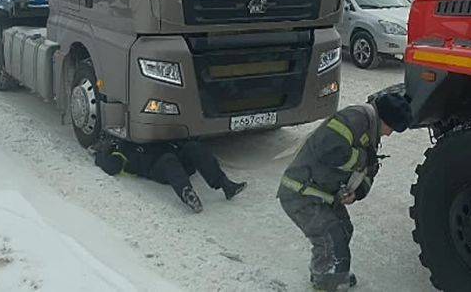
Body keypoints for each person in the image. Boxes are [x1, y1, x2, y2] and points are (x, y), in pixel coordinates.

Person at [278, 94, 412, 291]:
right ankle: (327, 281)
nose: (389, 134)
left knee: (343, 229)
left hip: (321, 194)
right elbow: (330, 149)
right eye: (391, 128)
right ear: (383, 119)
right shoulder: (355, 118)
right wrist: (362, 159)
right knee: (331, 238)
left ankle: (326, 273)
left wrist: (356, 193)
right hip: (300, 192)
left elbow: (369, 170)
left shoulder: (370, 131)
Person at [94, 138, 247, 213]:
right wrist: (101, 153)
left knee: (194, 147)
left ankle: (226, 185)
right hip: (158, 169)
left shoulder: (148, 130)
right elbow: (109, 166)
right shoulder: (121, 152)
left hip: (178, 158)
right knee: (169, 160)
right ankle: (188, 194)